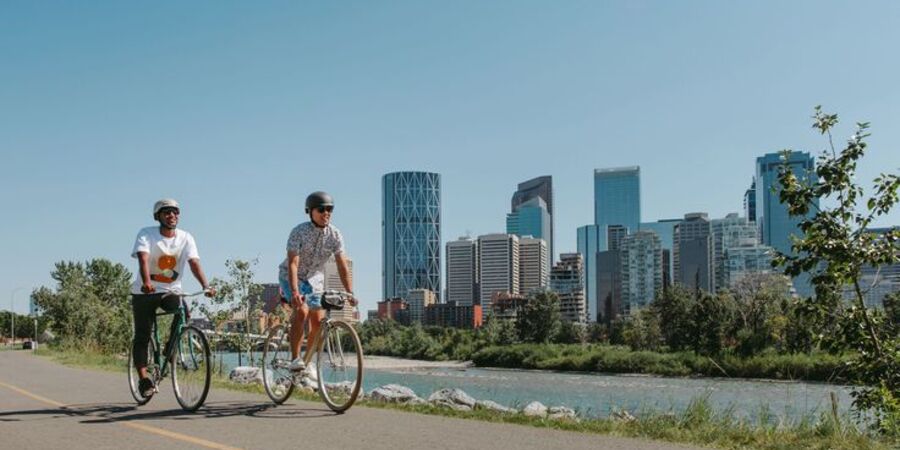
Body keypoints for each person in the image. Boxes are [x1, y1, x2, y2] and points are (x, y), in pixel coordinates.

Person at [131, 199, 215, 398]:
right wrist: (146, 281)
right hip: (145, 292)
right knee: (143, 334)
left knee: (183, 312)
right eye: (166, 212)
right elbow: (143, 258)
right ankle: (144, 379)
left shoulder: (186, 238)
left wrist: (206, 286)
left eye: (175, 212)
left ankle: (171, 348)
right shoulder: (146, 234)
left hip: (171, 290)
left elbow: (194, 263)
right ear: (158, 216)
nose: (171, 216)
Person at [279, 191, 354, 382]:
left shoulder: (335, 235)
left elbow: (342, 265)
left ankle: (306, 362)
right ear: (310, 211)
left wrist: (350, 292)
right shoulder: (298, 232)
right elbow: (293, 264)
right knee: (302, 311)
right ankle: (295, 359)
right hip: (292, 278)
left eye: (330, 209)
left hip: (315, 280)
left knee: (319, 324)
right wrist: (295, 292)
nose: (326, 213)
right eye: (321, 209)